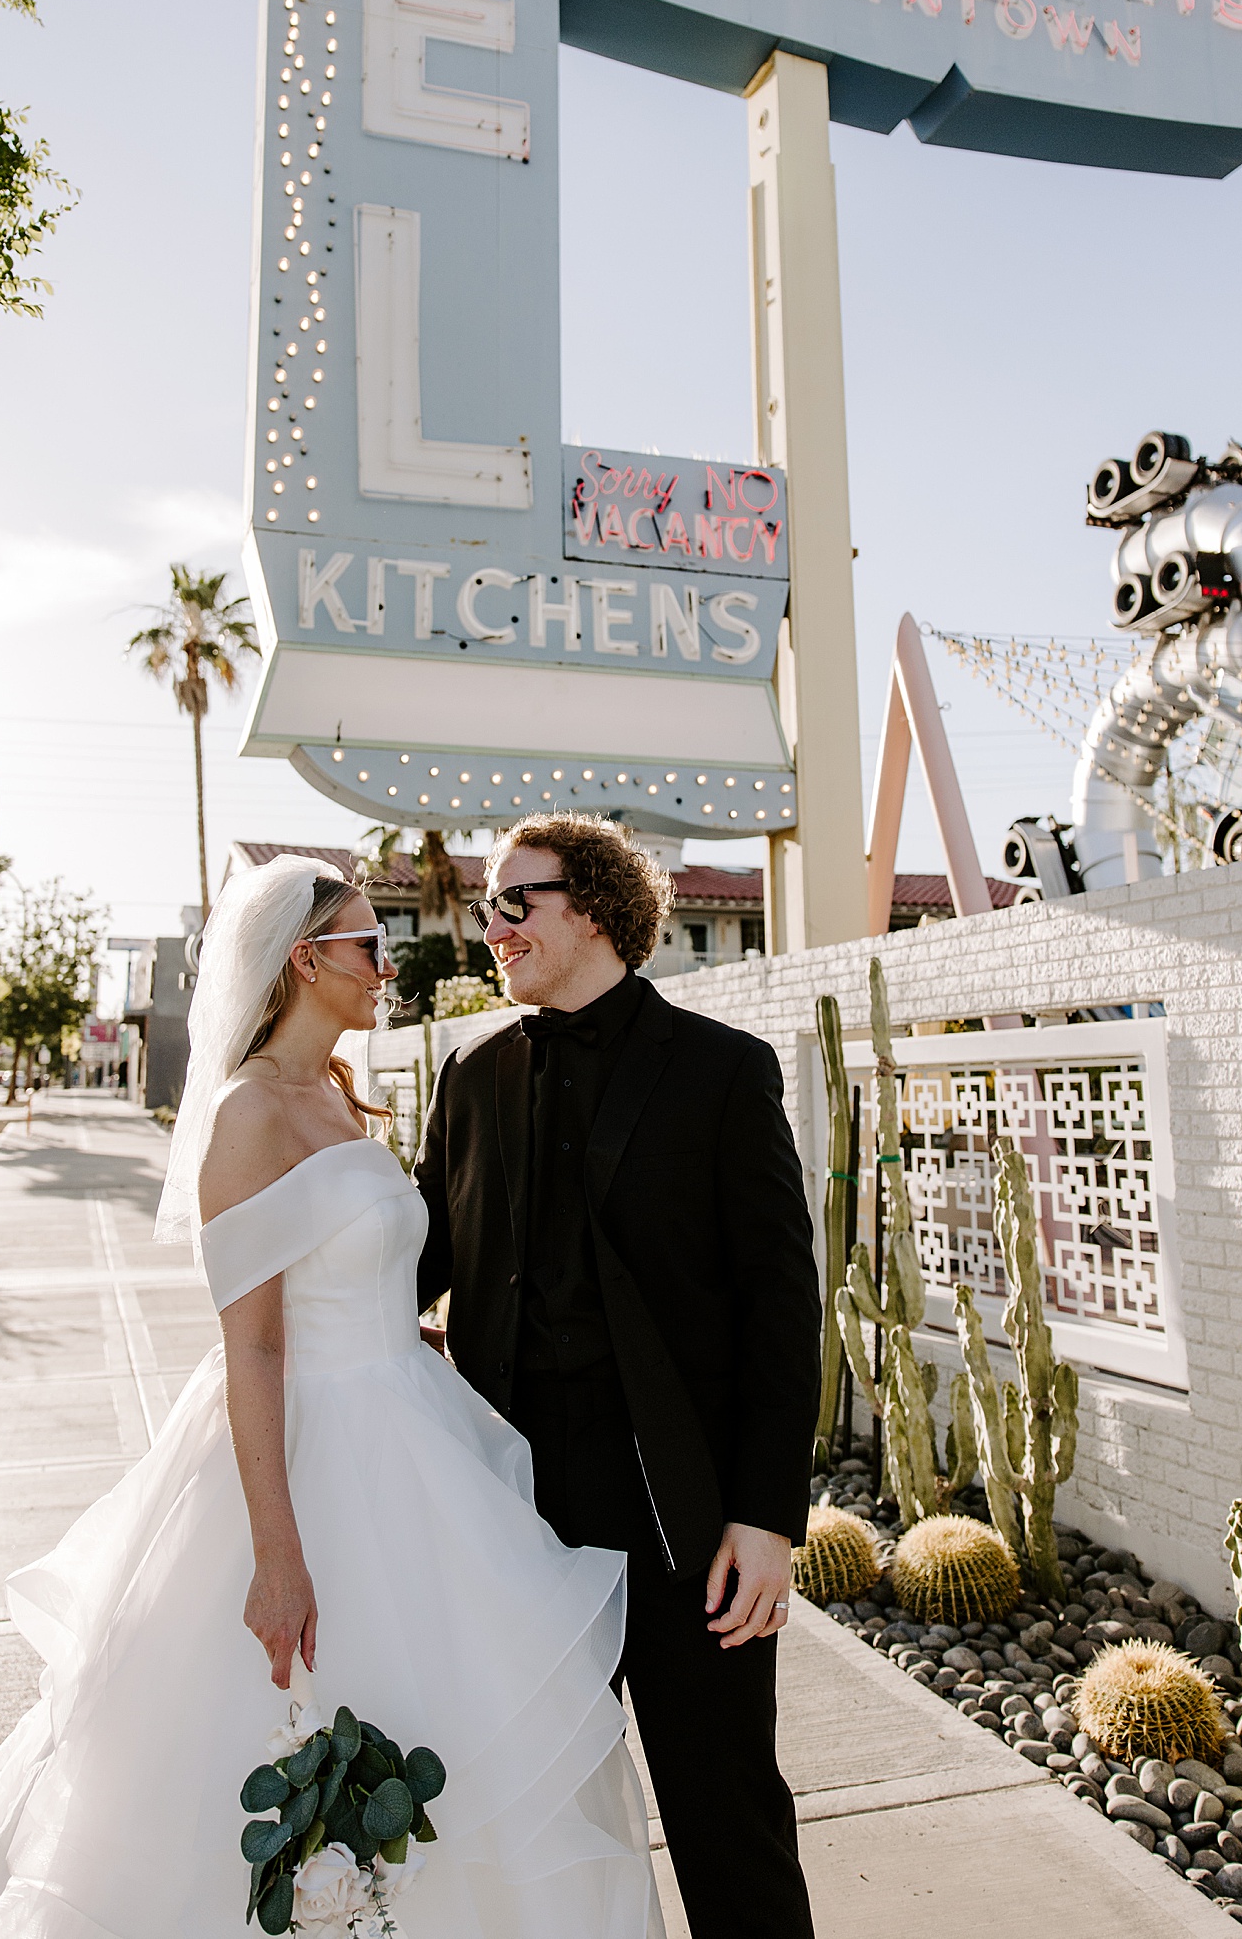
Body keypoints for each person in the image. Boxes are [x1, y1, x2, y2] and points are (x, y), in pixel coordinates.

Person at [0, 852, 663, 1939]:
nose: (385, 964)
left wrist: (398, 1328)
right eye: (368, 944)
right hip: (304, 1461)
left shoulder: (333, 1095)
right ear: (306, 961)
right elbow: (252, 1348)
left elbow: (342, 1276)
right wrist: (277, 1548)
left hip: (412, 1435)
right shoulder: (248, 1116)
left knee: (463, 1740)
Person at [415, 814, 822, 1939]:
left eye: (514, 903)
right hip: (515, 1520)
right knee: (542, 1818)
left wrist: (767, 1517)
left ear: (590, 905)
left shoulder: (723, 1073)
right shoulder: (471, 1075)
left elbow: (782, 1311)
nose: (491, 929)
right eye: (487, 908)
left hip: (682, 1517)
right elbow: (407, 1268)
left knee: (725, 1810)